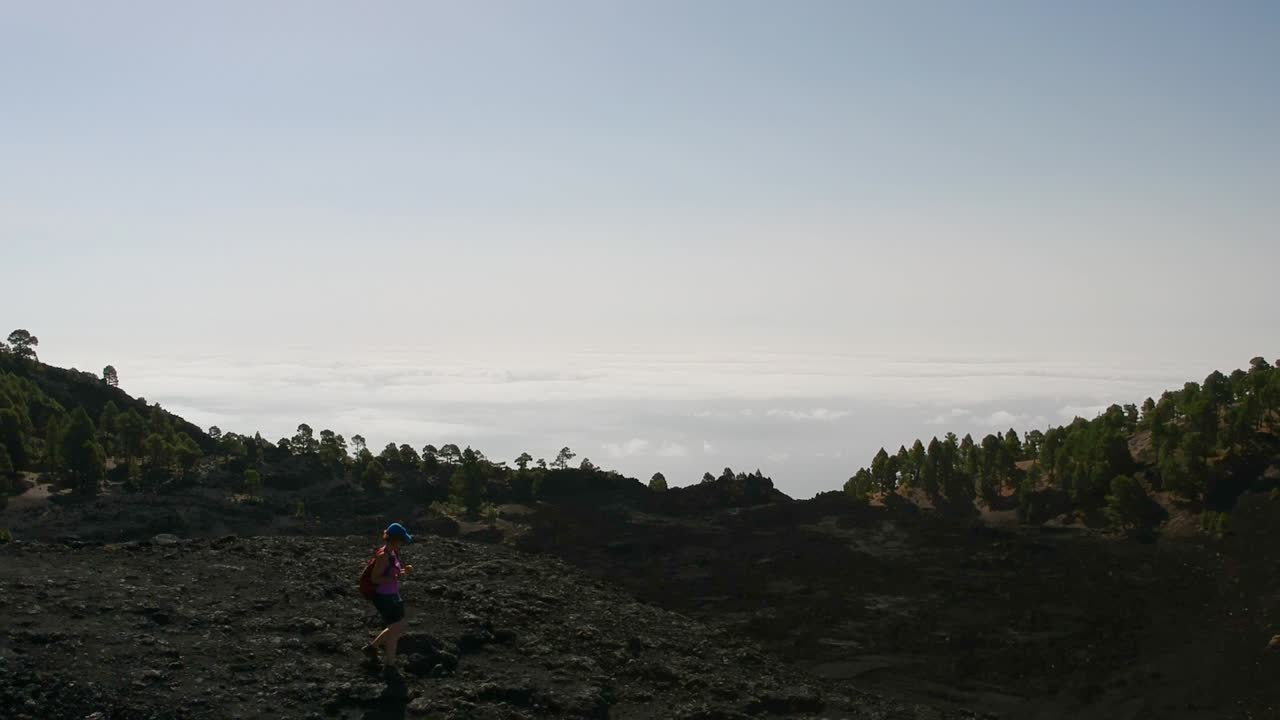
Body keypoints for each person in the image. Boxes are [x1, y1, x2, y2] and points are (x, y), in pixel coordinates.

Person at [363, 522, 414, 672]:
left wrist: (403, 572)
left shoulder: (393, 553)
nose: (403, 543)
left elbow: (393, 575)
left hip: (392, 594)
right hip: (383, 597)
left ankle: (372, 648)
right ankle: (390, 665)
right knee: (395, 630)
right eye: (401, 540)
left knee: (397, 628)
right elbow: (375, 579)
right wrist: (394, 577)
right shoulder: (384, 556)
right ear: (394, 539)